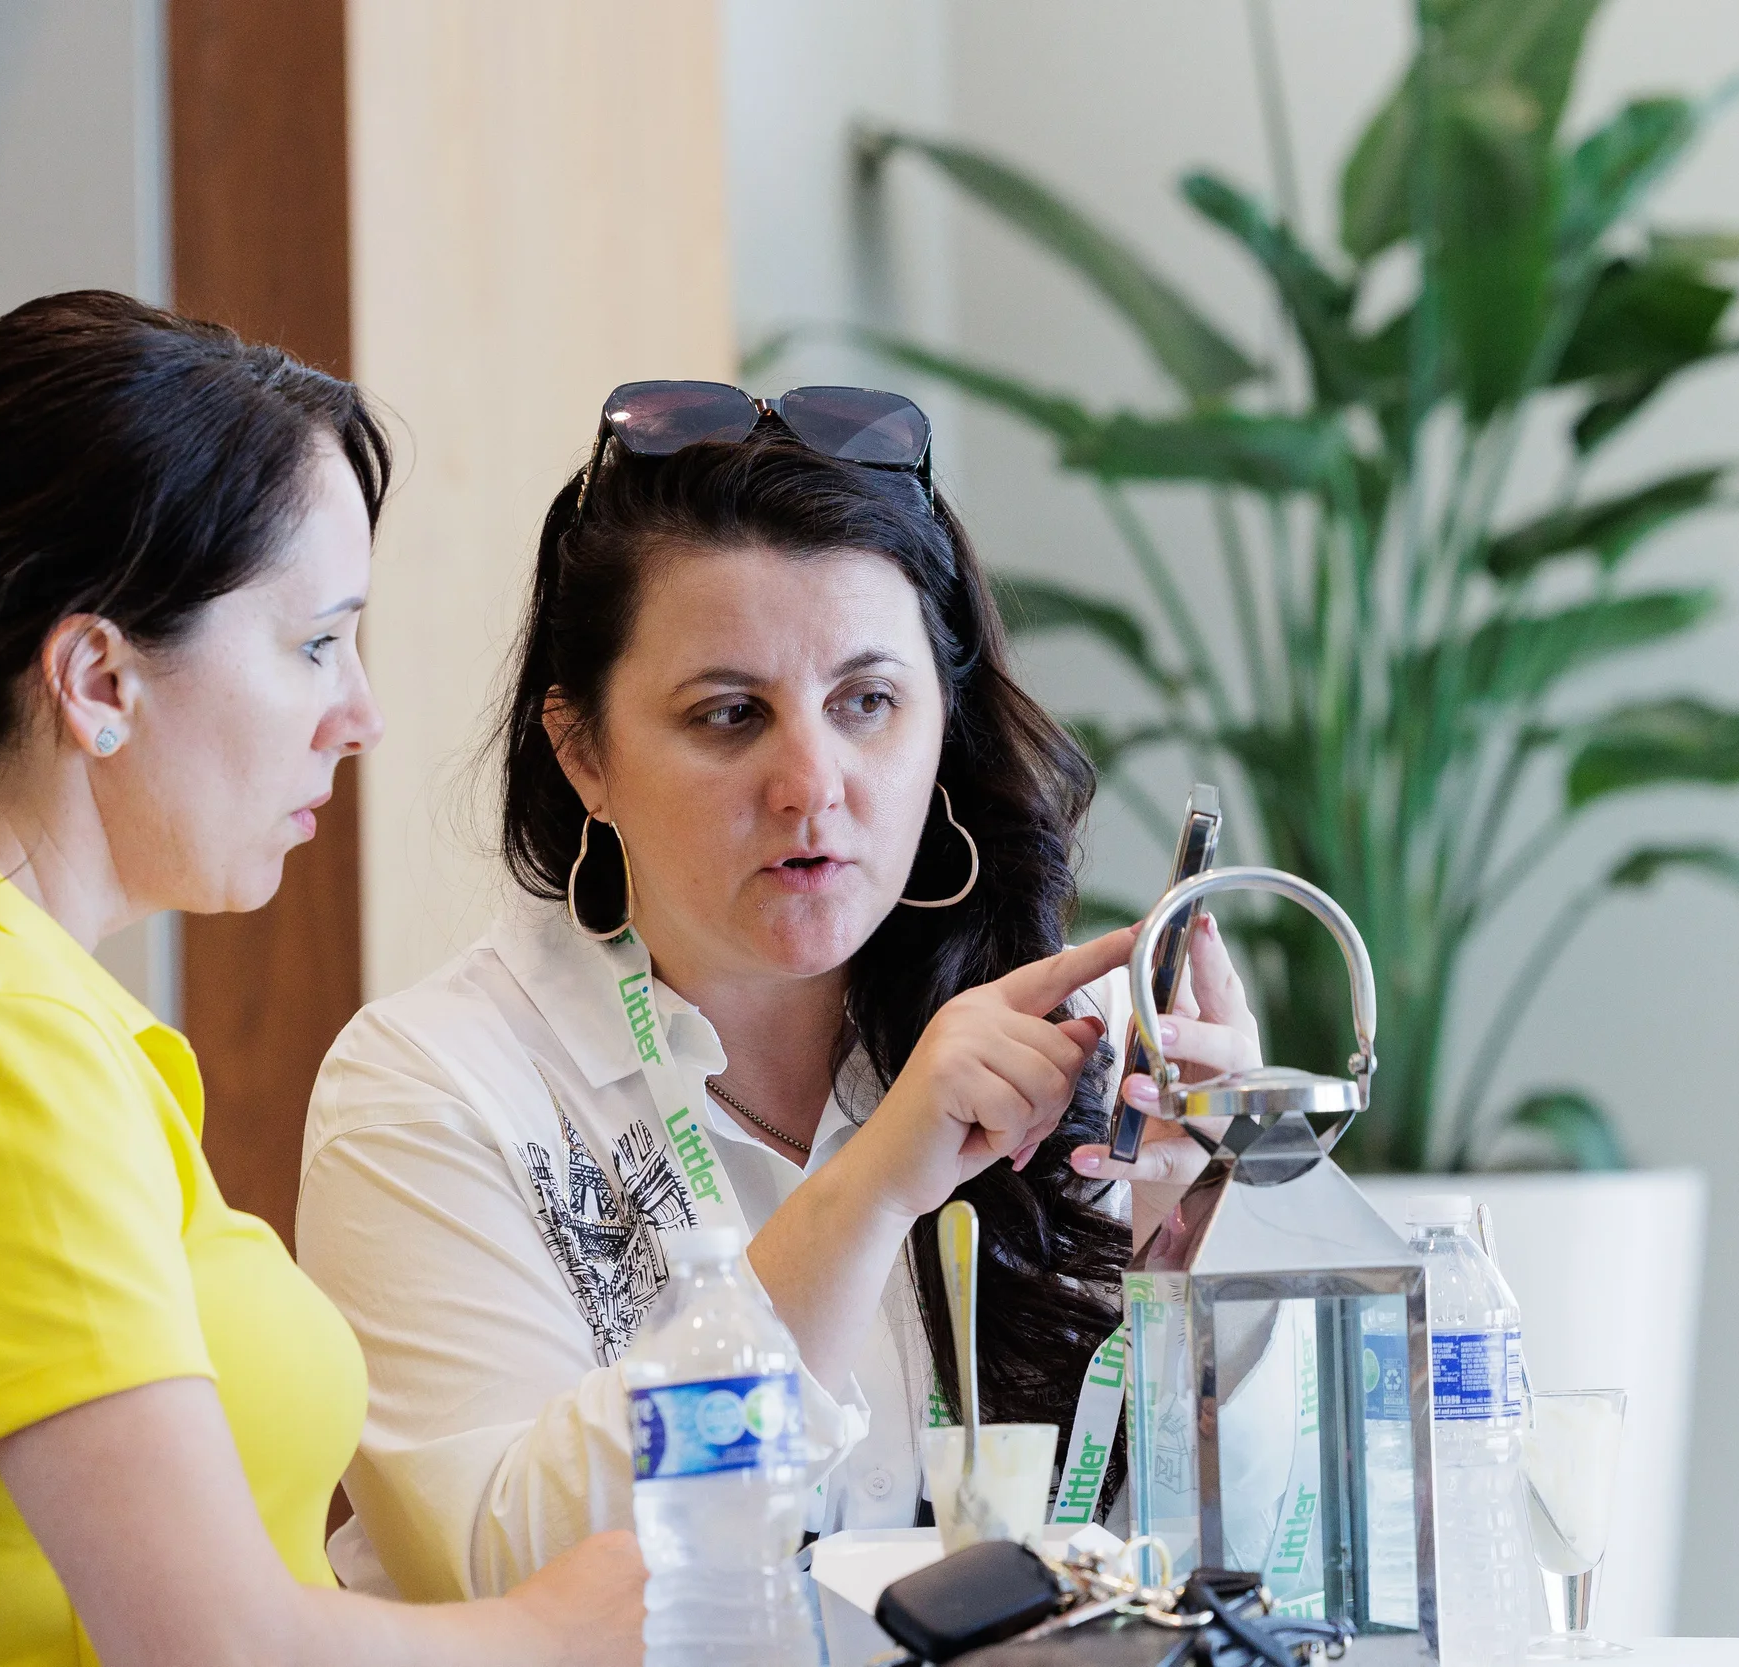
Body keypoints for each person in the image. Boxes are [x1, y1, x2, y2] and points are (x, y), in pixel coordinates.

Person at [0, 291, 640, 1667]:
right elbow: (212, 1644)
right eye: (316, 641)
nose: (360, 714)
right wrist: (553, 1630)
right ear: (94, 678)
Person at [295, 380, 1262, 1602]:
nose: (812, 781)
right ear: (582, 749)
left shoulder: (1082, 1062)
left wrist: (1205, 1236)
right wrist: (866, 1193)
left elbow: (1224, 1568)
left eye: (867, 702)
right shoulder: (430, 1084)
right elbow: (497, 1569)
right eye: (729, 713)